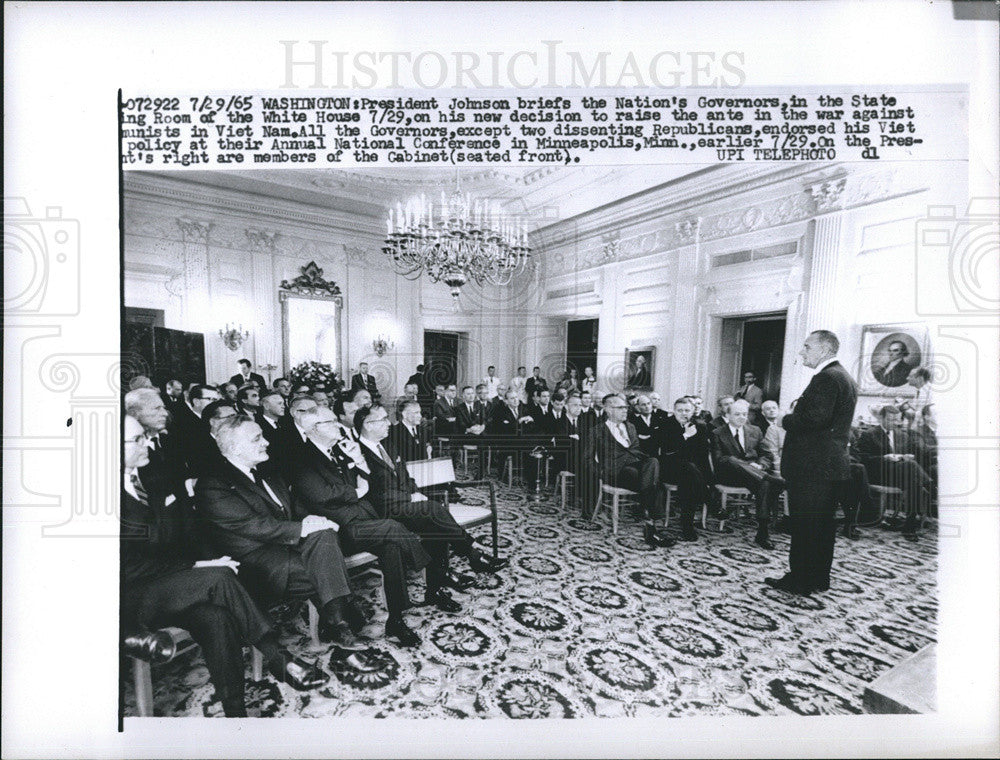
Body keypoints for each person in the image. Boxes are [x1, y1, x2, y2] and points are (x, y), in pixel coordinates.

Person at [122, 415, 327, 716]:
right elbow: (123, 567)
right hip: (129, 598)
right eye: (137, 440)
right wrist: (198, 565)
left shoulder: (155, 479)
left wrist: (212, 558)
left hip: (178, 584)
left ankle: (235, 711)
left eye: (145, 436)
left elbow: (191, 531)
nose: (147, 444)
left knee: (216, 617)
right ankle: (278, 658)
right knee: (218, 577)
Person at [194, 415, 373, 653]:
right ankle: (339, 620)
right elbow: (252, 526)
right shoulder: (213, 484)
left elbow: (290, 505)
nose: (266, 442)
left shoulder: (266, 470)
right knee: (326, 566)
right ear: (235, 448)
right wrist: (303, 528)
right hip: (255, 558)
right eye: (257, 438)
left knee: (325, 535)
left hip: (285, 545)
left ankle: (335, 621)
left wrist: (309, 519)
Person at [288, 407, 430, 647]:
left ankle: (396, 620)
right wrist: (356, 491)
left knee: (392, 547)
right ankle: (425, 562)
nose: (338, 424)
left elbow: (369, 482)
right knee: (392, 527)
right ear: (314, 429)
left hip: (362, 521)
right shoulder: (300, 457)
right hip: (338, 530)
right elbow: (321, 495)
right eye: (330, 422)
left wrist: (359, 459)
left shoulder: (340, 450)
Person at [354, 404, 508, 611]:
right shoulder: (356, 452)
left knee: (435, 528)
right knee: (434, 510)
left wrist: (415, 491)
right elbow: (375, 493)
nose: (388, 423)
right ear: (368, 425)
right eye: (382, 419)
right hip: (384, 511)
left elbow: (405, 476)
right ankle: (471, 555)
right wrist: (410, 497)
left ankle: (435, 591)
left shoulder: (387, 444)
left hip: (406, 504)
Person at [767, 330, 857, 595]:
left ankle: (800, 580)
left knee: (806, 525)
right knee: (822, 526)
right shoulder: (845, 377)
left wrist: (784, 419)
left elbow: (814, 420)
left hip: (813, 467)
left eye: (807, 346)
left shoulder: (826, 378)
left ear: (825, 350)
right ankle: (818, 578)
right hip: (829, 466)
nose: (801, 352)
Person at [586, 393, 673, 548]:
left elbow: (637, 450)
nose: (625, 410)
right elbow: (587, 458)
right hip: (615, 471)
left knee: (653, 461)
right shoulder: (596, 430)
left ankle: (649, 523)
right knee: (654, 483)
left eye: (626, 407)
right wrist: (601, 472)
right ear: (608, 409)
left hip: (637, 465)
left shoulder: (631, 427)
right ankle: (651, 524)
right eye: (620, 407)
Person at [711, 399, 784, 550]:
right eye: (737, 414)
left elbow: (766, 454)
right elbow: (718, 460)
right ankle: (769, 478)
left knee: (764, 484)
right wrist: (745, 466)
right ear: (728, 415)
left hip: (754, 474)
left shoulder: (755, 431)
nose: (742, 417)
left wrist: (760, 465)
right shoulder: (717, 433)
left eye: (744, 414)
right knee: (730, 459)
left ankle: (762, 533)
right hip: (730, 475)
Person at [854, 404, 933, 539]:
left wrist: (907, 456)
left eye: (897, 420)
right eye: (891, 420)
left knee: (912, 479)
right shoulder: (869, 434)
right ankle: (930, 487)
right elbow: (862, 458)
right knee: (911, 469)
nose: (895, 423)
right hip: (879, 473)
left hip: (900, 473)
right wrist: (884, 457)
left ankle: (909, 524)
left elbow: (909, 454)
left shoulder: (902, 435)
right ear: (881, 418)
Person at [659, 397, 713, 542]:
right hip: (670, 469)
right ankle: (710, 501)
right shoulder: (665, 424)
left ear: (693, 411)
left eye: (687, 410)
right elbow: (668, 451)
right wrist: (685, 436)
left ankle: (687, 525)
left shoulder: (700, 426)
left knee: (689, 475)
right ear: (674, 411)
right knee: (688, 468)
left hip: (692, 473)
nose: (684, 414)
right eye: (680, 411)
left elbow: (703, 456)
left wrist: (709, 479)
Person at [629, 394, 664, 458]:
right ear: (638, 407)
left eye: (648, 403)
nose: (647, 406)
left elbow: (663, 436)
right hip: (639, 456)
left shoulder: (659, 419)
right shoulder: (633, 421)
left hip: (656, 455)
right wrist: (638, 436)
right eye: (643, 404)